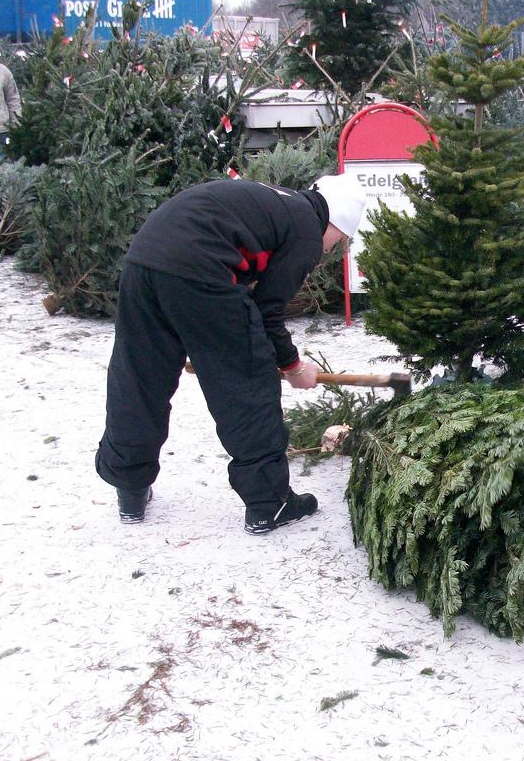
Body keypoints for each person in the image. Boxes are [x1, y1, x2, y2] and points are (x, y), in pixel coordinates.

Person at [95, 175, 368, 534]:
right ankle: (269, 503)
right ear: (337, 223)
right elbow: (267, 311)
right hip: (200, 268)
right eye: (339, 241)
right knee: (246, 383)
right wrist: (293, 365)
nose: (332, 249)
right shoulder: (306, 229)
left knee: (140, 377)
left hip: (144, 260)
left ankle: (129, 487)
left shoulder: (282, 202)